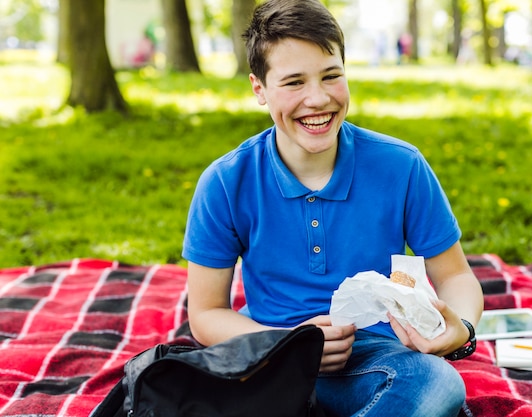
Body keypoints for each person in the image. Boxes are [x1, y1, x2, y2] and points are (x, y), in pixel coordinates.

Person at [182, 1, 484, 416]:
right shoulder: (225, 182)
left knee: (438, 383)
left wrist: (461, 328)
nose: (318, 99)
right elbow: (206, 314)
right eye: (293, 82)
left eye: (331, 76)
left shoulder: (401, 166)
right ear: (259, 89)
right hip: (271, 352)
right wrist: (288, 344)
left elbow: (455, 276)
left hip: (374, 359)